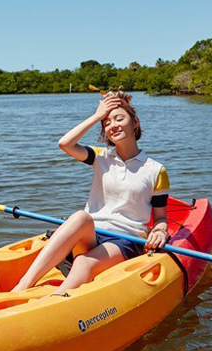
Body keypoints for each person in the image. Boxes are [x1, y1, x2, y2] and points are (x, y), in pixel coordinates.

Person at [12, 90, 170, 294]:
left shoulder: (156, 170)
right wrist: (97, 116)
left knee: (84, 263)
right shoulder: (100, 157)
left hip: (125, 240)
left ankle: (54, 301)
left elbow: (160, 217)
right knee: (80, 217)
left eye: (119, 119)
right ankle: (23, 285)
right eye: (107, 123)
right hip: (92, 233)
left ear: (134, 123)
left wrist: (159, 231)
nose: (113, 125)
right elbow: (65, 143)